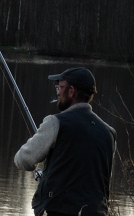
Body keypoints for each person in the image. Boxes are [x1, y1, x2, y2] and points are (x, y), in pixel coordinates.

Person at [14, 67, 116, 216]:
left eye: (60, 87)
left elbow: (23, 160)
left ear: (71, 91)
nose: (58, 92)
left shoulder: (55, 122)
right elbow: (98, 176)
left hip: (59, 211)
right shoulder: (109, 132)